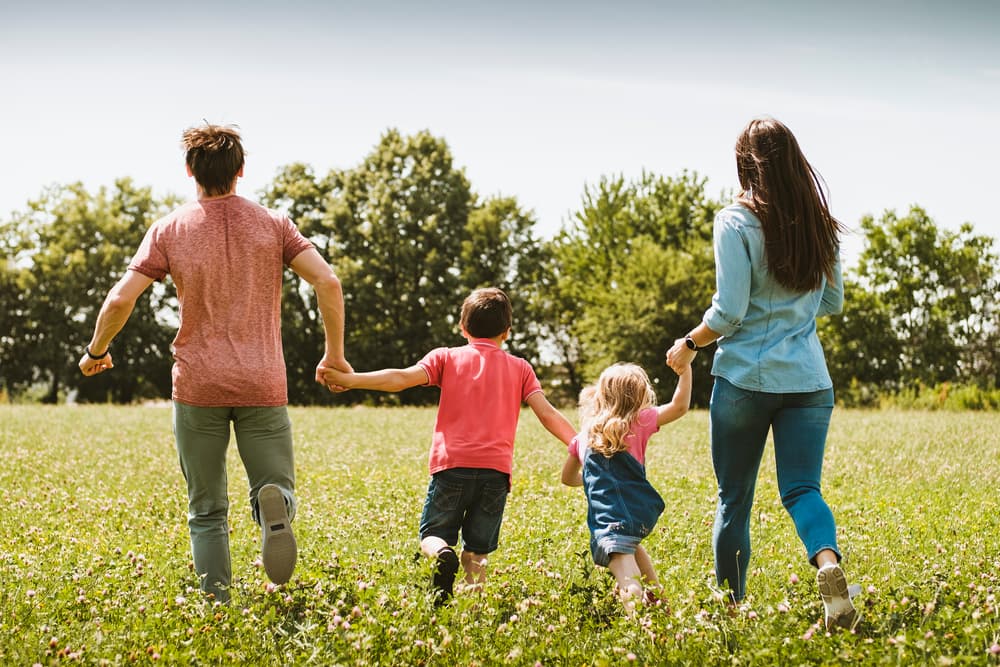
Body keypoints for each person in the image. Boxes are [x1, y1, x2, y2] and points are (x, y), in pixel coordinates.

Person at [78, 123, 351, 603]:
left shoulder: (169, 229)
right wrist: (334, 354)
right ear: (241, 170)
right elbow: (327, 282)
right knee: (275, 486)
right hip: (262, 381)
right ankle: (275, 506)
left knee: (206, 510)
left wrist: (96, 351)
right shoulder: (274, 224)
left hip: (198, 384)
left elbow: (121, 299)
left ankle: (218, 606)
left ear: (189, 171)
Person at [666, 116, 857, 630]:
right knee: (802, 490)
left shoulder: (735, 221)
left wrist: (688, 344)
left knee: (734, 500)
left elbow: (728, 312)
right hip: (809, 382)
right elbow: (833, 302)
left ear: (746, 165)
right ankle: (829, 565)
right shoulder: (821, 223)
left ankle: (730, 610)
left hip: (745, 381)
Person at [322, 287, 577, 603]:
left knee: (432, 535)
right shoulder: (521, 367)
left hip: (451, 467)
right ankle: (471, 615)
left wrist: (351, 380)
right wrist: (577, 443)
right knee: (477, 551)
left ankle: (442, 553)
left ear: (463, 327)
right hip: (495, 474)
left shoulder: (445, 357)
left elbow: (400, 379)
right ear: (507, 332)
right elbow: (547, 412)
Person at [560, 363, 691, 612]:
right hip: (639, 511)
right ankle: (658, 601)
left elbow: (567, 478)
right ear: (641, 395)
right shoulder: (640, 421)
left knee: (626, 575)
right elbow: (680, 406)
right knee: (632, 547)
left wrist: (589, 481)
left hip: (610, 518)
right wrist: (685, 369)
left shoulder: (583, 437)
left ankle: (638, 629)